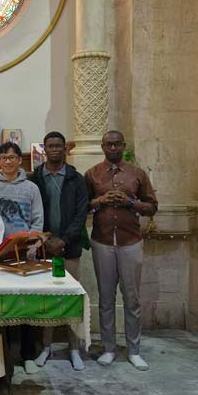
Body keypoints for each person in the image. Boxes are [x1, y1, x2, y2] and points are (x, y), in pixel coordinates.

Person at [85, 130, 158, 371]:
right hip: (102, 240)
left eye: (117, 144)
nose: (113, 148)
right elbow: (82, 205)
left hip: (130, 241)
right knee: (106, 298)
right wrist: (101, 201)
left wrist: (130, 203)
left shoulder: (137, 173)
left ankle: (134, 350)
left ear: (124, 146)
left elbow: (152, 206)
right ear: (102, 146)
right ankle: (109, 349)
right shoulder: (92, 174)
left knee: (132, 298)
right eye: (109, 144)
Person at [0, 142, 44, 374]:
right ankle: (4, 354)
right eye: (4, 158)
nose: (8, 161)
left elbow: (37, 219)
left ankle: (27, 354)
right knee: (1, 305)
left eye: (12, 157)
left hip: (25, 254)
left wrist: (32, 244)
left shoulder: (31, 188)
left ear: (19, 160)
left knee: (25, 304)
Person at [30, 131, 88, 371]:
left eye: (58, 146)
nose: (54, 149)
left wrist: (63, 240)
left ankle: (74, 348)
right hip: (43, 247)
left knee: (70, 298)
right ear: (44, 150)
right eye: (50, 146)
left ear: (65, 149)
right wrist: (45, 239)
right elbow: (33, 212)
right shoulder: (35, 178)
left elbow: (81, 214)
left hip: (69, 248)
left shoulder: (76, 179)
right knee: (46, 299)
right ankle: (46, 347)